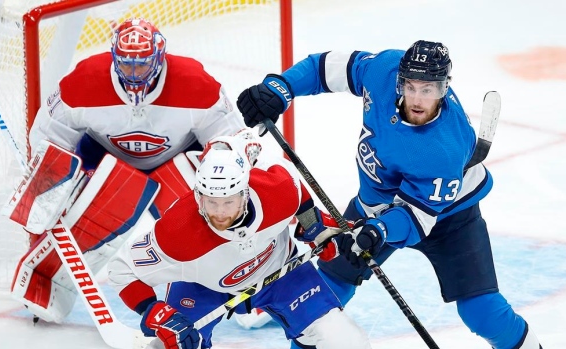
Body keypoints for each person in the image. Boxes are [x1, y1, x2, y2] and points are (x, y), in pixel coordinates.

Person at [236, 40, 543, 349]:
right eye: (411, 87)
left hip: (451, 219)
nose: (418, 99)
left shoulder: (445, 148)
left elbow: (415, 217)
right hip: (374, 205)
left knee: (483, 313)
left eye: (429, 90)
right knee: (321, 297)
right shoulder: (383, 70)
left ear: (444, 88)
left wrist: (379, 230)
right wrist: (282, 87)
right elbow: (326, 68)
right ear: (399, 80)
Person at [7, 17, 246, 324]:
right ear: (114, 58)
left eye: (143, 64)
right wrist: (57, 182)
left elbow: (231, 139)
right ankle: (47, 285)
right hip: (106, 163)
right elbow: (49, 135)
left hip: (176, 161)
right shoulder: (83, 80)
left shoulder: (196, 83)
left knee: (210, 217)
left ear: (159, 57)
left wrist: (219, 173)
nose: (135, 73)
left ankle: (244, 280)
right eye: (128, 65)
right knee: (88, 223)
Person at [107, 131, 371, 349]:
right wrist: (154, 313)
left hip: (281, 273)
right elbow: (122, 268)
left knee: (346, 340)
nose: (219, 213)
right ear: (198, 196)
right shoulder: (178, 230)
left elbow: (298, 194)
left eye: (229, 202)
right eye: (211, 202)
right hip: (204, 287)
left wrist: (316, 229)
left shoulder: (276, 191)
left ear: (245, 193)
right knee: (172, 345)